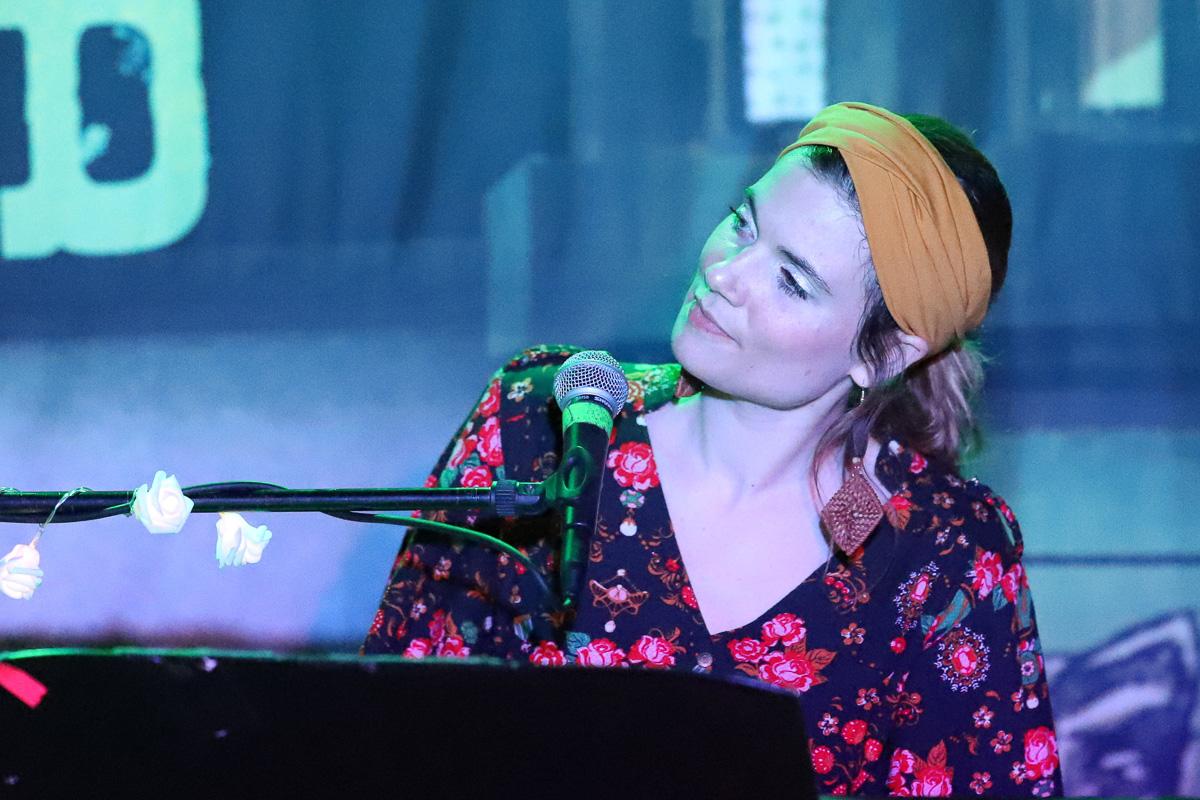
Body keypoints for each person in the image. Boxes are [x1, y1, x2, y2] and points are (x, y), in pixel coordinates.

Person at [362, 102, 1061, 797]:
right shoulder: (547, 421)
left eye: (791, 280)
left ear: (885, 355)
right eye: (742, 222)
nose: (727, 274)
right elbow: (390, 738)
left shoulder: (946, 552)